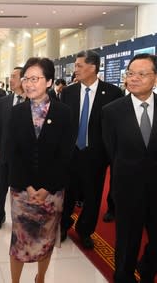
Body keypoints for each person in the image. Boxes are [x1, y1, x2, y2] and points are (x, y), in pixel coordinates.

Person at [102, 53, 157, 283]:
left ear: (156, 78)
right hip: (127, 187)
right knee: (127, 244)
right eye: (130, 73)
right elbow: (112, 149)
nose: (134, 78)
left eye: (141, 74)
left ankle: (147, 269)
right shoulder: (112, 111)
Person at [8, 57, 74, 283]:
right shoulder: (16, 113)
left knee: (46, 240)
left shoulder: (64, 112)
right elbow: (12, 153)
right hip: (21, 192)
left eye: (35, 78)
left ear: (49, 81)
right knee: (19, 240)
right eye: (26, 78)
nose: (28, 84)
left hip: (51, 192)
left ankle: (41, 278)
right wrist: (27, 186)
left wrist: (46, 188)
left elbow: (65, 155)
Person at [60, 50, 123, 249]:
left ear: (93, 67)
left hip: (96, 156)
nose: (75, 69)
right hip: (70, 155)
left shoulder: (112, 93)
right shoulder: (68, 92)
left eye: (79, 66)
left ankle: (85, 231)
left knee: (93, 196)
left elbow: (114, 128)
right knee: (67, 194)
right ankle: (62, 227)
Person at [0, 66, 24, 231]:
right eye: (10, 77)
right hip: (4, 153)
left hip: (24, 156)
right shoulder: (4, 101)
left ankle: (21, 217)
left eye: (14, 77)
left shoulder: (33, 101)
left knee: (21, 189)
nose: (10, 80)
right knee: (1, 186)